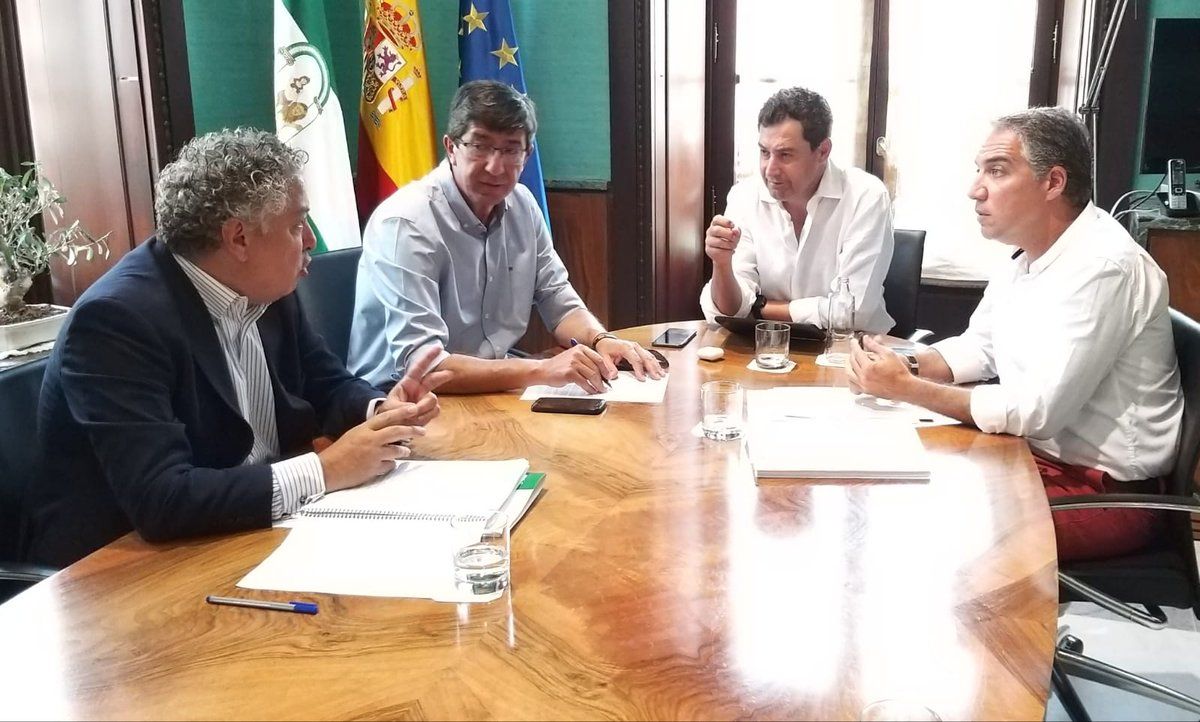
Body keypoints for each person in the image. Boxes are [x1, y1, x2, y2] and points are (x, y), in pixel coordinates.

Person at [25, 128, 449, 568]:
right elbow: (161, 498)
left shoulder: (266, 287)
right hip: (123, 569)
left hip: (248, 529)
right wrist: (327, 471)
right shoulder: (117, 322)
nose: (310, 241)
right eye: (296, 224)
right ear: (239, 238)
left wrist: (380, 413)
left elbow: (325, 382)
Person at [846, 107, 1183, 563]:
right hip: (1033, 459)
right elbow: (979, 347)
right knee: (885, 476)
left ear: (1053, 182)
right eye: (978, 171)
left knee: (926, 523)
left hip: (1104, 492)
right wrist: (902, 364)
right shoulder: (1029, 256)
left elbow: (1035, 412)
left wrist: (908, 389)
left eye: (997, 171)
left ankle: (1003, 633)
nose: (975, 190)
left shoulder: (1105, 267)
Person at [348, 79, 664, 395]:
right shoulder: (407, 223)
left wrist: (601, 339)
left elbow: (556, 297)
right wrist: (542, 369)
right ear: (451, 147)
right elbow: (424, 366)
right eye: (480, 145)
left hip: (489, 384)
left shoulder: (522, 205)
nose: (495, 167)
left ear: (527, 155)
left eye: (511, 149)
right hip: (397, 398)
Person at [700, 86, 895, 333]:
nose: (770, 169)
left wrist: (759, 307)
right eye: (764, 152)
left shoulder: (866, 196)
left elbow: (852, 313)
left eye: (785, 155)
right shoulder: (744, 196)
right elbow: (729, 312)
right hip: (764, 349)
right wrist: (721, 264)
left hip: (846, 351)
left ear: (822, 151)